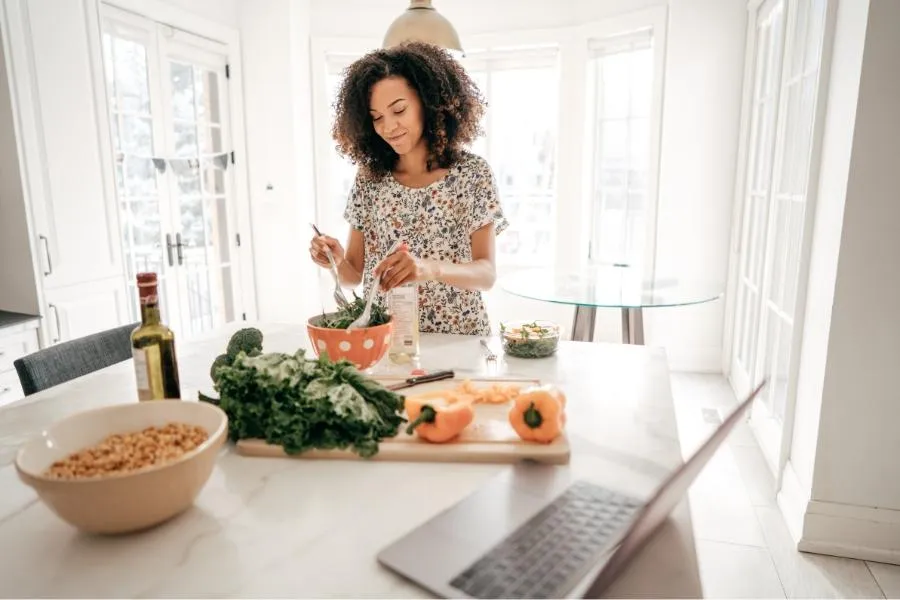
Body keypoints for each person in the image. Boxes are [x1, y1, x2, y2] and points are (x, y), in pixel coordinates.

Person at [309, 41, 508, 336]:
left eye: (399, 110)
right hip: (386, 340)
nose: (388, 127)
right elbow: (354, 275)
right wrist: (335, 260)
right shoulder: (369, 180)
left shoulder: (471, 175)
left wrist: (429, 268)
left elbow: (486, 275)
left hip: (459, 339)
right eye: (377, 117)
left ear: (428, 102)